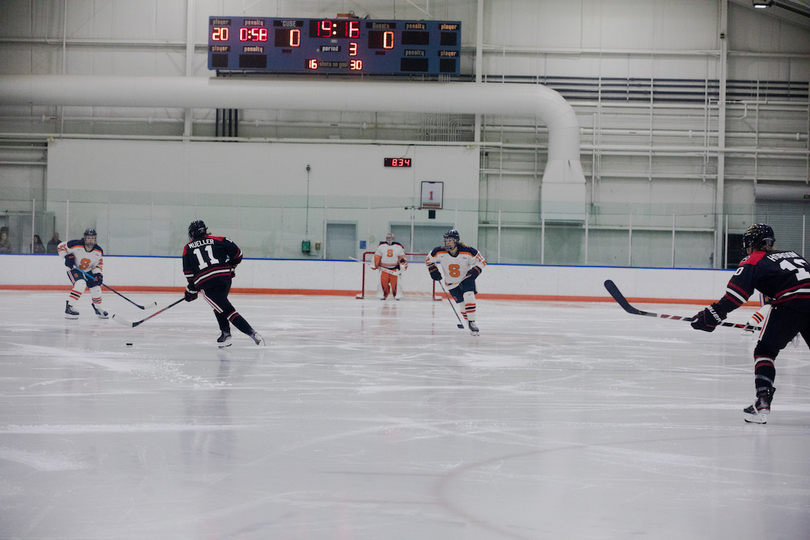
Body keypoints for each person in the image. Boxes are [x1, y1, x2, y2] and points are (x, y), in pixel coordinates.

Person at [691, 223, 810, 424]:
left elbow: (736, 295)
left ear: (752, 243)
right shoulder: (794, 254)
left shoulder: (753, 260)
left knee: (765, 351)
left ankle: (762, 401)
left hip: (790, 304)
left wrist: (712, 315)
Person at [182, 220, 264, 348]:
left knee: (227, 310)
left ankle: (253, 334)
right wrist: (231, 265)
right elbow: (238, 253)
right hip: (225, 278)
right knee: (219, 305)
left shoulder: (187, 248)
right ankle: (225, 334)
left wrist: (190, 290)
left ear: (192, 234)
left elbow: (188, 273)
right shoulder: (219, 239)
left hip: (207, 283)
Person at [426, 229, 486, 335]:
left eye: (450, 240)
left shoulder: (468, 251)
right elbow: (429, 260)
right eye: (446, 240)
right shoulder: (438, 251)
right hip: (451, 283)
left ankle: (472, 322)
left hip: (466, 278)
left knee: (469, 295)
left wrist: (476, 270)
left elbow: (482, 261)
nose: (448, 242)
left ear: (456, 240)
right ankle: (468, 323)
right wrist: (433, 270)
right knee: (462, 305)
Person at [58, 228, 108, 319]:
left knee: (96, 287)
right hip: (74, 268)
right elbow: (60, 246)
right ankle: (69, 307)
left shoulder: (99, 251)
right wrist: (66, 256)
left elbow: (98, 264)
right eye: (88, 238)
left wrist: (98, 274)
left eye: (92, 238)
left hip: (88, 270)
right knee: (81, 284)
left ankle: (98, 308)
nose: (90, 240)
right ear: (84, 238)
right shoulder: (74, 244)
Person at [372, 232, 408, 300]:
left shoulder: (399, 247)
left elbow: (402, 257)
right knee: (383, 283)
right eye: (387, 238)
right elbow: (377, 256)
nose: (389, 239)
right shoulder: (381, 246)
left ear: (393, 238)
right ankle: (383, 295)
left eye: (390, 238)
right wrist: (375, 263)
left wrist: (402, 264)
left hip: (394, 269)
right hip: (384, 269)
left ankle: (397, 295)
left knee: (395, 284)